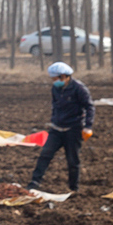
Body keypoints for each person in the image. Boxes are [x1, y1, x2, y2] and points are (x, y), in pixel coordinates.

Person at [28, 61, 95, 193]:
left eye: (55, 79)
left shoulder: (79, 88)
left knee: (72, 160)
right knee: (45, 154)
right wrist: (54, 120)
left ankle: (73, 188)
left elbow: (90, 107)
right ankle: (34, 182)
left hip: (73, 129)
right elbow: (55, 105)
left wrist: (88, 126)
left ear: (64, 76)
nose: (54, 82)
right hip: (56, 129)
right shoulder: (56, 88)